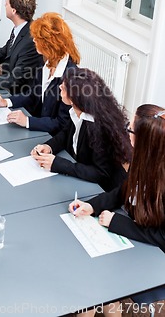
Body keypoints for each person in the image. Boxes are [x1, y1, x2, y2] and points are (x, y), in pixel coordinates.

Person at [68, 104, 165, 314]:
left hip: (155, 258)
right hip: (135, 240)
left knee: (93, 288)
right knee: (92, 284)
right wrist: (92, 205)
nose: (126, 133)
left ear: (145, 140)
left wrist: (117, 222)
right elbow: (123, 192)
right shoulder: (145, 160)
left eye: (130, 130)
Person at [31, 67, 132, 192]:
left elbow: (100, 173)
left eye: (64, 86)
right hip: (80, 180)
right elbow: (66, 134)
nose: (60, 86)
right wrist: (48, 147)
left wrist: (57, 164)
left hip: (101, 190)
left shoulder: (98, 127)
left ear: (74, 98)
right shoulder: (77, 111)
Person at [0, 12, 80, 135]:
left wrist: (27, 121)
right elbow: (32, 95)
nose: (34, 40)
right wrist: (6, 102)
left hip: (53, 140)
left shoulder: (70, 77)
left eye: (38, 38)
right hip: (39, 131)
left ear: (49, 44)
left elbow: (62, 123)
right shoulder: (46, 64)